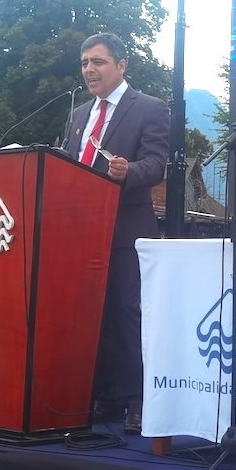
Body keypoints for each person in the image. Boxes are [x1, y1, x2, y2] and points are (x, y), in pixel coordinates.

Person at [65, 32, 169, 434]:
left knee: (128, 313)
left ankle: (137, 400)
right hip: (82, 230)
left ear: (121, 66)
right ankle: (102, 395)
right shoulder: (78, 116)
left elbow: (156, 164)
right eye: (84, 63)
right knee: (91, 313)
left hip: (128, 228)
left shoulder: (149, 108)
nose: (89, 70)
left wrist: (130, 171)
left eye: (98, 62)